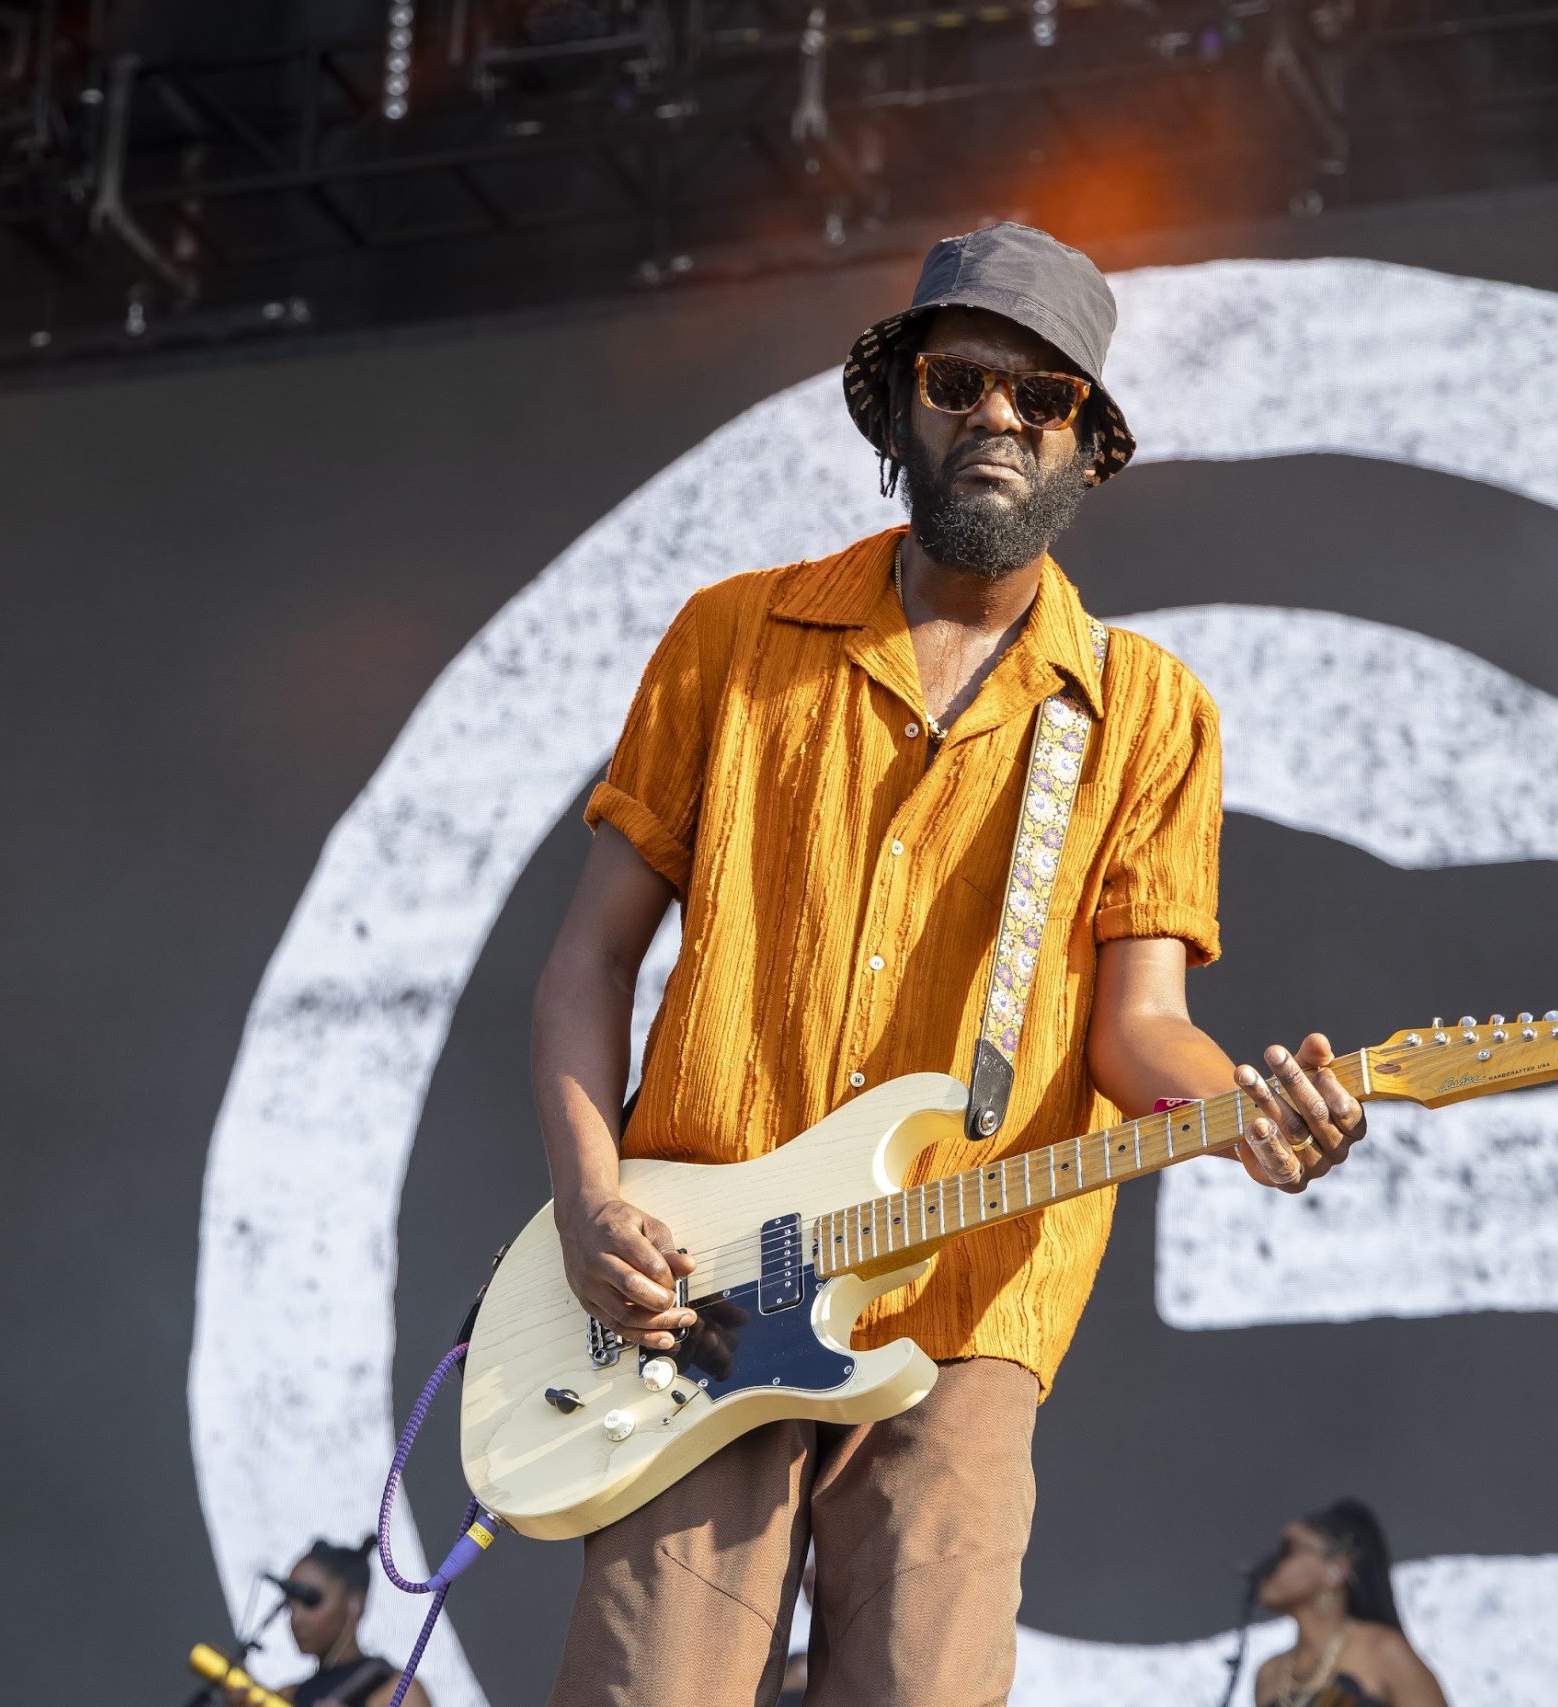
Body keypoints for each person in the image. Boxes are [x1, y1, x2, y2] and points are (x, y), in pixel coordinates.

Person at [530, 220, 1369, 1706]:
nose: (997, 416)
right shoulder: (732, 640)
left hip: (971, 1305)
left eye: (1041, 398)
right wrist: (592, 1197)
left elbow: (1139, 1028)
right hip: (705, 1281)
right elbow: (588, 959)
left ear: (1088, 448)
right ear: (898, 407)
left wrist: (1249, 1104)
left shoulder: (1146, 712)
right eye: (962, 378)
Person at [1252, 1500, 1447, 1707]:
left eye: (1288, 1550)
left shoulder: (1383, 1652)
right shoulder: (1269, 1675)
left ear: (1336, 1568)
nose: (1269, 1565)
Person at [280, 1536, 431, 1707]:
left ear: (355, 1604)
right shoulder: (287, 1695)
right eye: (290, 1604)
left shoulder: (398, 1690)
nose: (296, 1618)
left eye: (311, 1601)